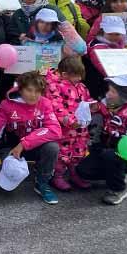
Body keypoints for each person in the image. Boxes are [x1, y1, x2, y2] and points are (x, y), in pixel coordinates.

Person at [0, 71, 62, 205]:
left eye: (38, 91)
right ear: (20, 89)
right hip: (11, 148)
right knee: (6, 186)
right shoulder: (7, 105)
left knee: (52, 147)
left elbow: (55, 130)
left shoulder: (45, 103)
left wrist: (24, 144)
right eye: (29, 90)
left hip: (31, 146)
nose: (34, 95)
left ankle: (42, 182)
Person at [76, 74, 127, 205]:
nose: (108, 94)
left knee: (111, 156)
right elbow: (99, 108)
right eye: (109, 90)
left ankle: (118, 189)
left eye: (113, 91)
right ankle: (119, 173)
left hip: (125, 151)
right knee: (83, 170)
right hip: (111, 147)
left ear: (125, 95)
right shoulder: (112, 104)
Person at [44, 57, 92, 191]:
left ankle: (74, 174)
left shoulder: (81, 87)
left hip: (80, 128)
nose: (80, 79)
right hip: (64, 129)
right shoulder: (54, 86)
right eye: (77, 76)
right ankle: (57, 176)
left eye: (81, 75)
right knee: (62, 153)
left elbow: (86, 101)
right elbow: (56, 106)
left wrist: (94, 107)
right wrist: (70, 121)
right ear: (65, 74)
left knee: (79, 150)